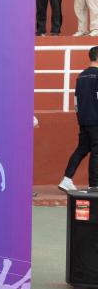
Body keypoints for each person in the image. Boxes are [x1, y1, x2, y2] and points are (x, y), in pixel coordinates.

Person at [60, 46, 98, 192]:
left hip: (83, 119)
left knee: (82, 149)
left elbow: (76, 100)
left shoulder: (81, 76)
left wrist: (80, 117)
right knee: (96, 151)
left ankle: (66, 179)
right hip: (95, 119)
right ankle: (94, 185)